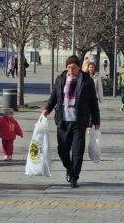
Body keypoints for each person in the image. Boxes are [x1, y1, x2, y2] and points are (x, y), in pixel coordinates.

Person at [43, 55, 100, 188]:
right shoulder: (60, 79)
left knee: (77, 152)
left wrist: (96, 120)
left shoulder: (87, 81)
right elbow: (53, 97)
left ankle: (74, 176)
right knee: (62, 150)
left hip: (79, 122)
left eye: (73, 67)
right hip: (63, 121)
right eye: (68, 67)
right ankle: (69, 168)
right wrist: (47, 109)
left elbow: (93, 102)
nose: (70, 70)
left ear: (79, 68)